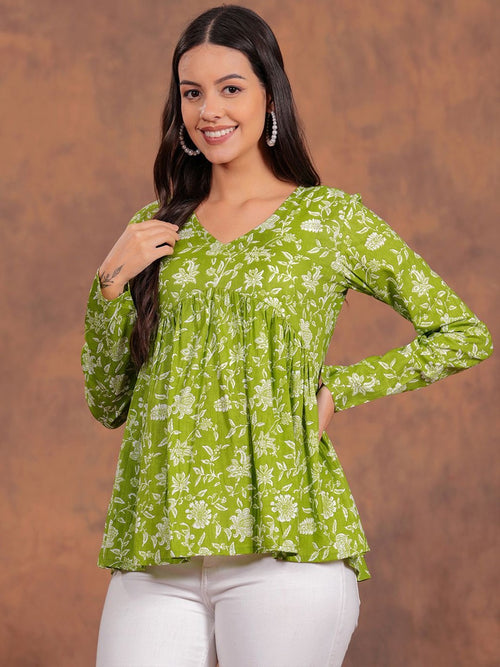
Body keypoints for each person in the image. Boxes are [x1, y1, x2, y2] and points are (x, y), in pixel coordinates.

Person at [81, 5, 493, 666]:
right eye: (192, 93)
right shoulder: (154, 230)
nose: (210, 110)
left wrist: (340, 388)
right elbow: (108, 403)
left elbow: (462, 333)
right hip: (158, 549)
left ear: (270, 95)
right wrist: (109, 284)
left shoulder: (327, 220)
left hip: (285, 547)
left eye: (231, 88)